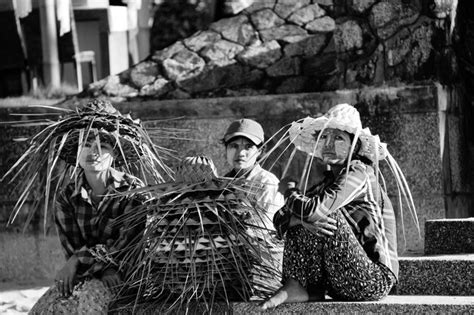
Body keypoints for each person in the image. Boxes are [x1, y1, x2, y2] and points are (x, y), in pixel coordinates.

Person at [2, 99, 171, 314]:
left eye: (104, 145)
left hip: (129, 276)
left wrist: (79, 260)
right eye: (87, 144)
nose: (94, 151)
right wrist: (86, 263)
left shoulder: (133, 192)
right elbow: (72, 248)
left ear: (115, 155)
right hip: (89, 276)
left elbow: (128, 246)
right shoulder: (66, 197)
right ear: (77, 152)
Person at [261, 103, 417, 309]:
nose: (328, 144)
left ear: (355, 146)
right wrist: (299, 219)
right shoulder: (328, 182)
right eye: (324, 137)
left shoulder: (360, 174)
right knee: (304, 217)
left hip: (373, 280)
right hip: (337, 281)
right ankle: (299, 286)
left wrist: (290, 192)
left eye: (338, 138)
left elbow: (314, 210)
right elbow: (279, 218)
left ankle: (302, 286)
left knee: (323, 214)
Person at [222, 118, 284, 230]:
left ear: (260, 150)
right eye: (234, 146)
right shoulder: (222, 183)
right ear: (226, 149)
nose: (240, 153)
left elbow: (268, 227)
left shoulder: (268, 183)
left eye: (248, 147)